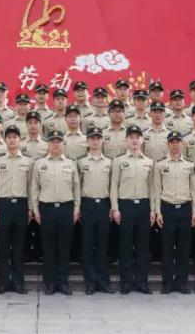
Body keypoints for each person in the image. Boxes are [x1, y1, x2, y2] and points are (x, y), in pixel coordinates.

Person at [32, 129, 81, 295]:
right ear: (48, 144)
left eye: (58, 141)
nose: (55, 144)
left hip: (66, 209)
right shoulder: (39, 164)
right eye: (52, 141)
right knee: (49, 248)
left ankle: (63, 282)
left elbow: (76, 188)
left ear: (63, 144)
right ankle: (50, 283)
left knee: (64, 248)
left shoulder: (71, 163)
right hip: (46, 209)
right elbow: (34, 188)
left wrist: (76, 209)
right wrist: (36, 210)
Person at [111, 124, 155, 294]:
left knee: (143, 246)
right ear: (126, 140)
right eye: (131, 137)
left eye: (137, 137)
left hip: (144, 206)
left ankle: (141, 281)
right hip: (125, 206)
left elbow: (152, 188)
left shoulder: (149, 162)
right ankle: (126, 282)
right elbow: (114, 185)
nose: (134, 140)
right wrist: (115, 208)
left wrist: (152, 209)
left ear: (142, 140)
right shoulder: (119, 161)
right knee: (126, 245)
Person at [153, 130, 195, 294]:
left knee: (184, 249)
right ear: (167, 144)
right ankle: (167, 283)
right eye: (172, 141)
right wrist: (157, 211)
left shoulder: (190, 164)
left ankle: (181, 283)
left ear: (182, 144)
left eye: (177, 141)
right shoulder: (160, 164)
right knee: (167, 248)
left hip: (185, 208)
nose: (175, 144)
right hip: (167, 208)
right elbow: (156, 189)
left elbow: (194, 190)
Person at [0, 124, 32, 294]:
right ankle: (3, 282)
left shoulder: (28, 161)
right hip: (3, 206)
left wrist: (30, 208)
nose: (12, 140)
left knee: (19, 247)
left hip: (21, 206)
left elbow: (30, 187)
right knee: (3, 246)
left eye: (15, 137)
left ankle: (18, 282)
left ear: (19, 140)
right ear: (5, 140)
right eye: (9, 137)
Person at [77, 124, 114, 294]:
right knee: (87, 245)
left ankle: (103, 281)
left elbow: (113, 186)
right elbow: (77, 186)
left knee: (103, 246)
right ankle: (90, 282)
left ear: (102, 141)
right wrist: (78, 208)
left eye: (98, 138)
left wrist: (113, 207)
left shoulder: (109, 162)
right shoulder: (81, 162)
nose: (95, 141)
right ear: (87, 141)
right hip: (88, 205)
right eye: (92, 138)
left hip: (104, 205)